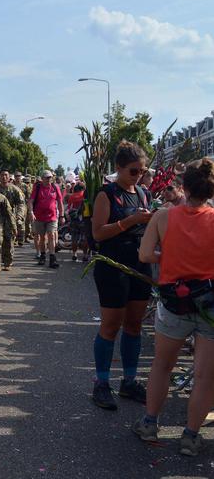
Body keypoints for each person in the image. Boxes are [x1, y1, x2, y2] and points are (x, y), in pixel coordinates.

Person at [134, 158, 214, 456]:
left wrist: (169, 258)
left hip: (174, 301)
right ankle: (191, 437)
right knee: (206, 376)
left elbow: (144, 255)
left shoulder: (162, 217)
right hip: (209, 303)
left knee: (162, 366)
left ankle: (150, 423)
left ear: (184, 187)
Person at [89, 141, 153, 410]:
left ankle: (129, 380)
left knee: (135, 325)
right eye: (133, 171)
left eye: (141, 171)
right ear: (118, 169)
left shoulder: (143, 194)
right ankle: (101, 383)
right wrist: (130, 221)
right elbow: (98, 233)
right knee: (111, 325)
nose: (138, 176)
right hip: (112, 266)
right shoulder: (107, 194)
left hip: (139, 265)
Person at [29, 170, 65, 268]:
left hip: (52, 217)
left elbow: (60, 202)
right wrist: (31, 212)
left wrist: (62, 216)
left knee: (51, 235)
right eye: (46, 177)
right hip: (39, 217)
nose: (48, 179)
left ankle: (52, 258)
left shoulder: (55, 187)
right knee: (41, 237)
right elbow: (31, 201)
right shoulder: (37, 187)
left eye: (50, 177)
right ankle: (43, 255)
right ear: (42, 178)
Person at [0, 171, 25, 271]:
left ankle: (8, 262)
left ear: (9, 177)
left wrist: (19, 216)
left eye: (6, 175)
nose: (4, 177)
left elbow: (21, 204)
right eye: (2, 175)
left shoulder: (14, 189)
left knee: (8, 240)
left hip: (10, 217)